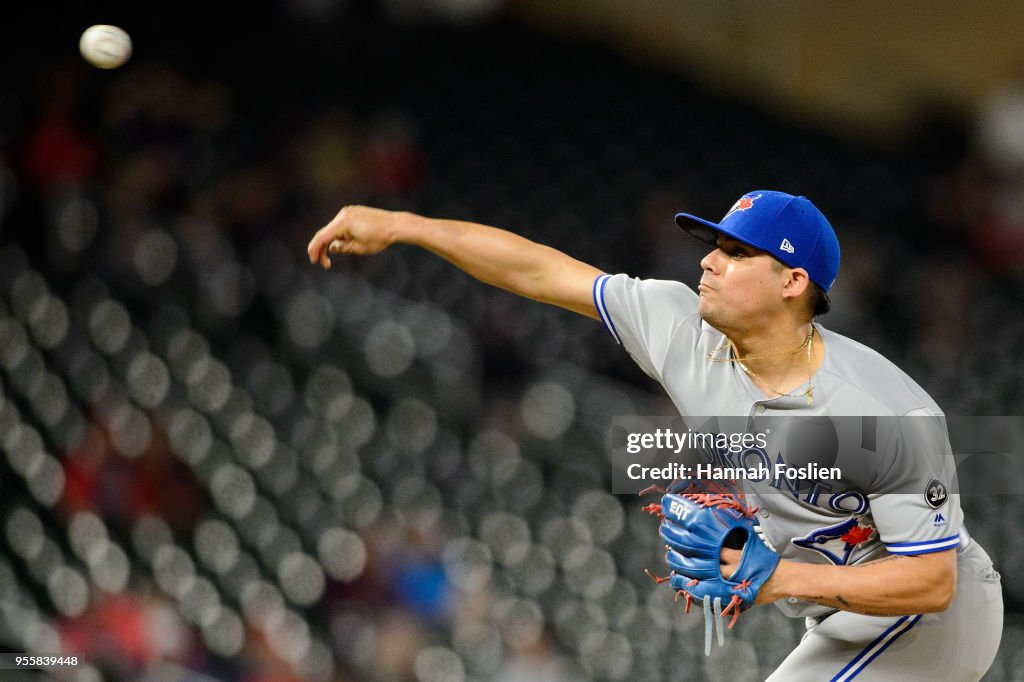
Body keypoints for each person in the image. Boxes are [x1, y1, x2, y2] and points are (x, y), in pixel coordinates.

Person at [307, 191, 1003, 680]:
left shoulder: (883, 413)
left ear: (793, 281)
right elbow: (541, 271)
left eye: (735, 251)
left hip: (936, 619)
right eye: (713, 245)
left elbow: (932, 580)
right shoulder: (680, 326)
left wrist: (775, 576)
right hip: (842, 617)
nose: (708, 260)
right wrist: (406, 226)